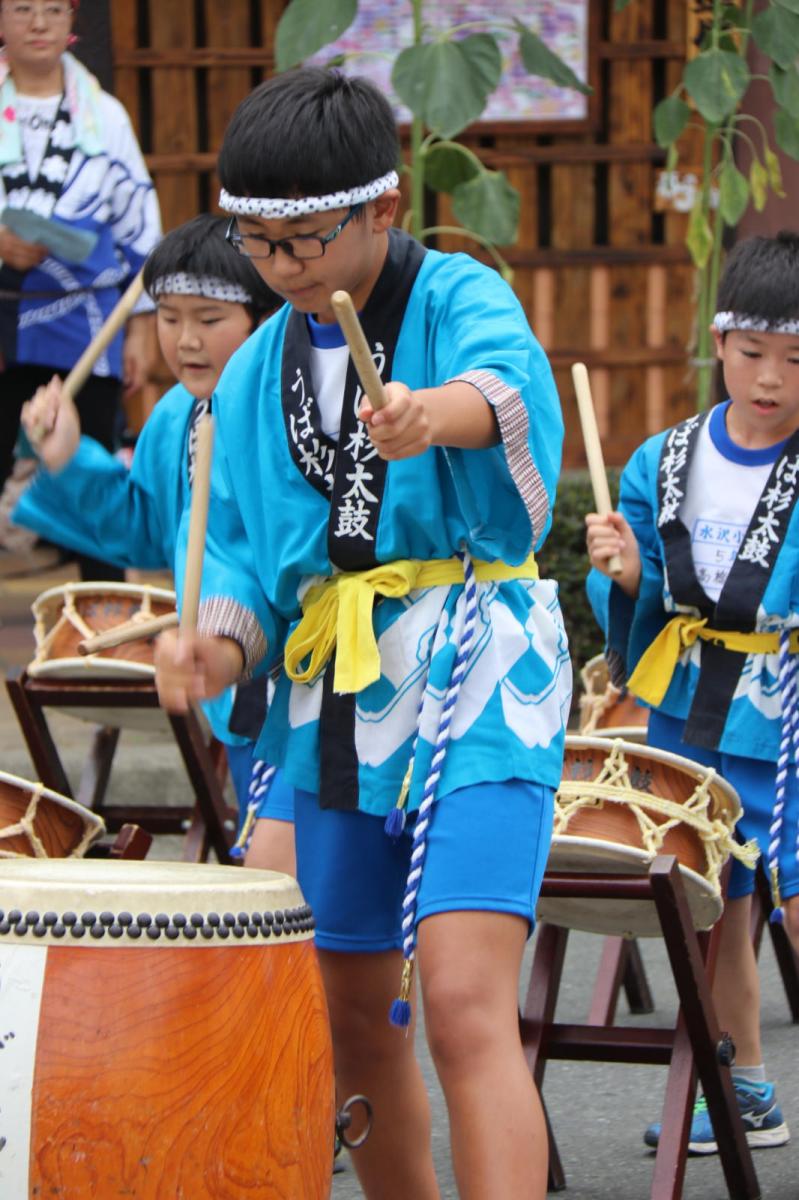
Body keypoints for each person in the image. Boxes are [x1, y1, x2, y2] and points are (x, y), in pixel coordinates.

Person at [153, 68, 572, 1199]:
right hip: (333, 693)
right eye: (257, 243)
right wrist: (215, 646)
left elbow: (507, 388)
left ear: (381, 208)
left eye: (303, 240)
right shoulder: (255, 370)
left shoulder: (452, 295)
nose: (280, 266)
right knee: (347, 1009)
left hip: (476, 665)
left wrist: (429, 415)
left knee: (462, 999)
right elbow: (242, 556)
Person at [586, 231, 799, 1156]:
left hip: (784, 715)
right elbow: (635, 593)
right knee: (712, 902)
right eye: (751, 352)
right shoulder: (662, 459)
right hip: (687, 712)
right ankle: (741, 1083)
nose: (770, 377)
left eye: (795, 359)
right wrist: (626, 573)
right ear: (718, 341)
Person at [15, 213, 294, 871]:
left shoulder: (292, 410)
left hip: (309, 675)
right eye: (169, 318)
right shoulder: (177, 416)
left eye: (209, 318)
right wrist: (67, 457)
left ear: (265, 318)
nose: (185, 340)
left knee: (295, 879)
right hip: (234, 684)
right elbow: (144, 530)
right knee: (278, 881)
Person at [0, 0, 161, 579]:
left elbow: (138, 224)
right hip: (4, 322)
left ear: (72, 20)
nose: (38, 22)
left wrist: (140, 328)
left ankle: (103, 615)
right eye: (22, 8)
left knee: (89, 462)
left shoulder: (105, 115)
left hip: (88, 323)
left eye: (52, 8)